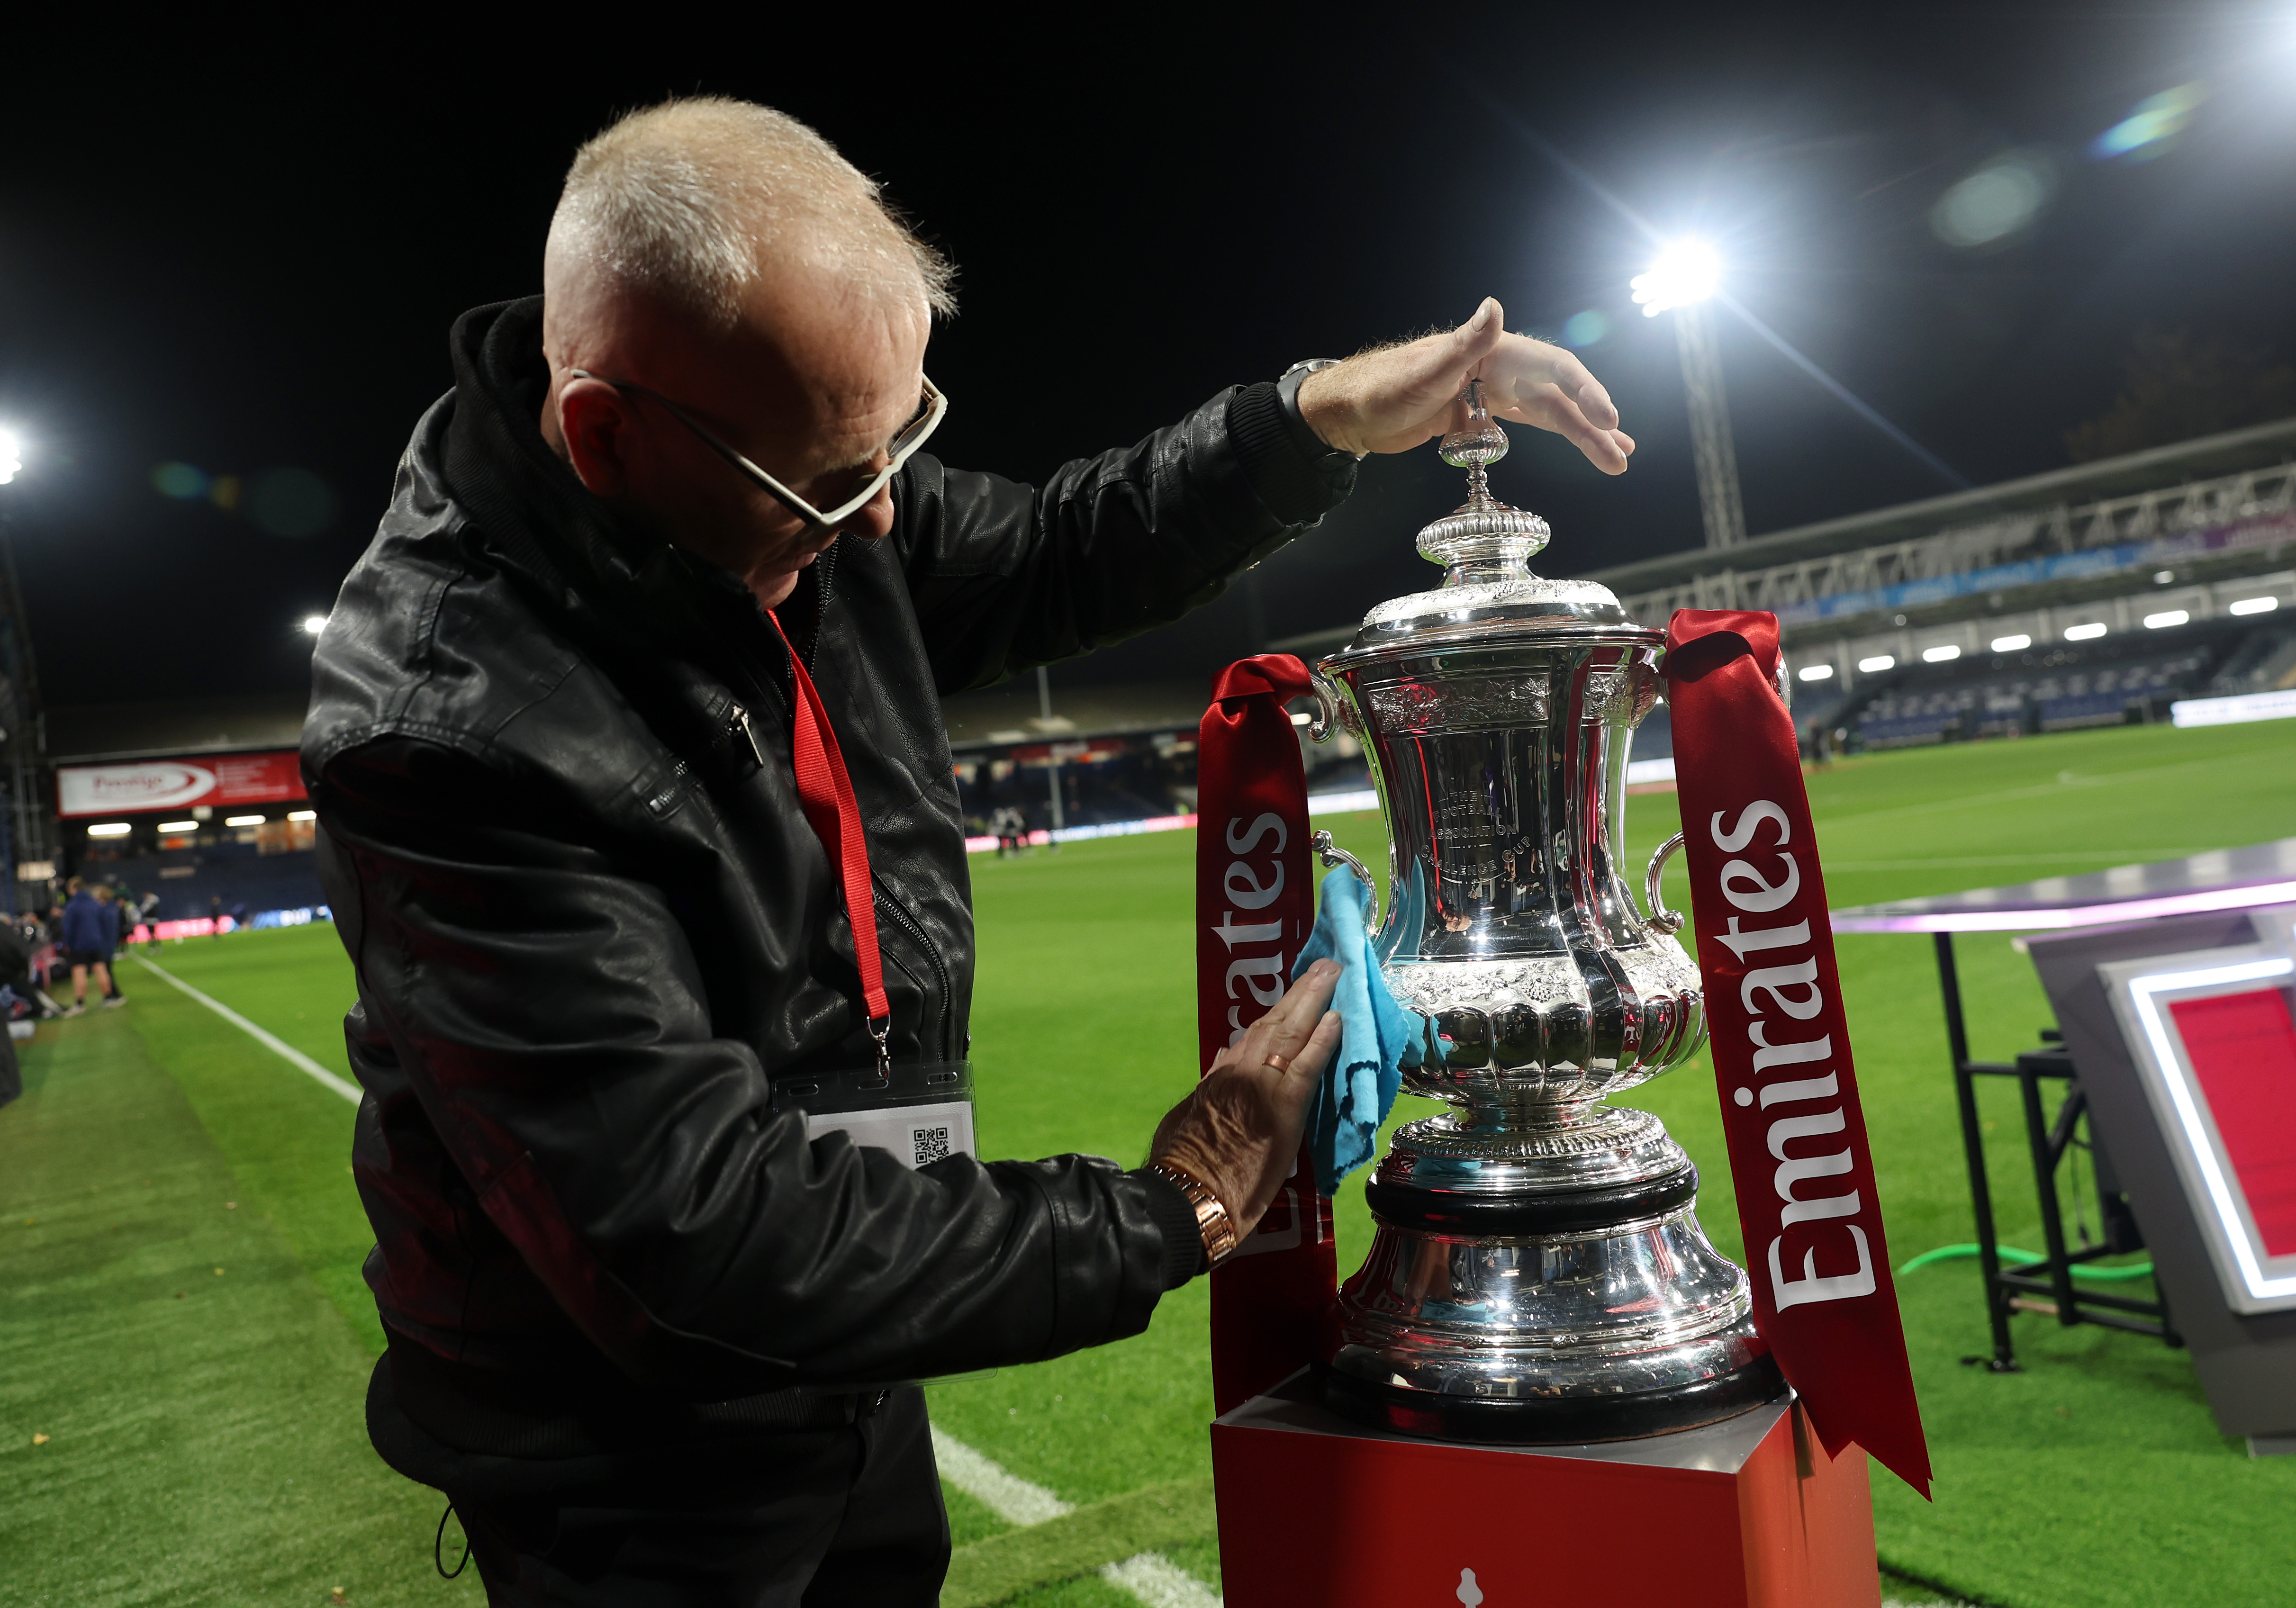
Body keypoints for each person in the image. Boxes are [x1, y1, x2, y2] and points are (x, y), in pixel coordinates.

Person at [304, 97, 1634, 1606]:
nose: (881, 518)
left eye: (901, 445)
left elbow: (1061, 545)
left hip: (855, 1350)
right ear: (605, 434)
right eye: (832, 478)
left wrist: (1317, 413)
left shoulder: (771, 482)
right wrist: (1176, 1204)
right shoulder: (450, 723)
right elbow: (690, 1247)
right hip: (627, 1456)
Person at [57, 880, 122, 1016]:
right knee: (101, 969)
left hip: (79, 945)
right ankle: (109, 998)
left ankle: (80, 1003)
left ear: (73, 889)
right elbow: (104, 923)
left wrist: (68, 944)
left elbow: (68, 929)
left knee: (79, 972)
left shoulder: (72, 906)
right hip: (96, 942)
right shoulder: (95, 904)